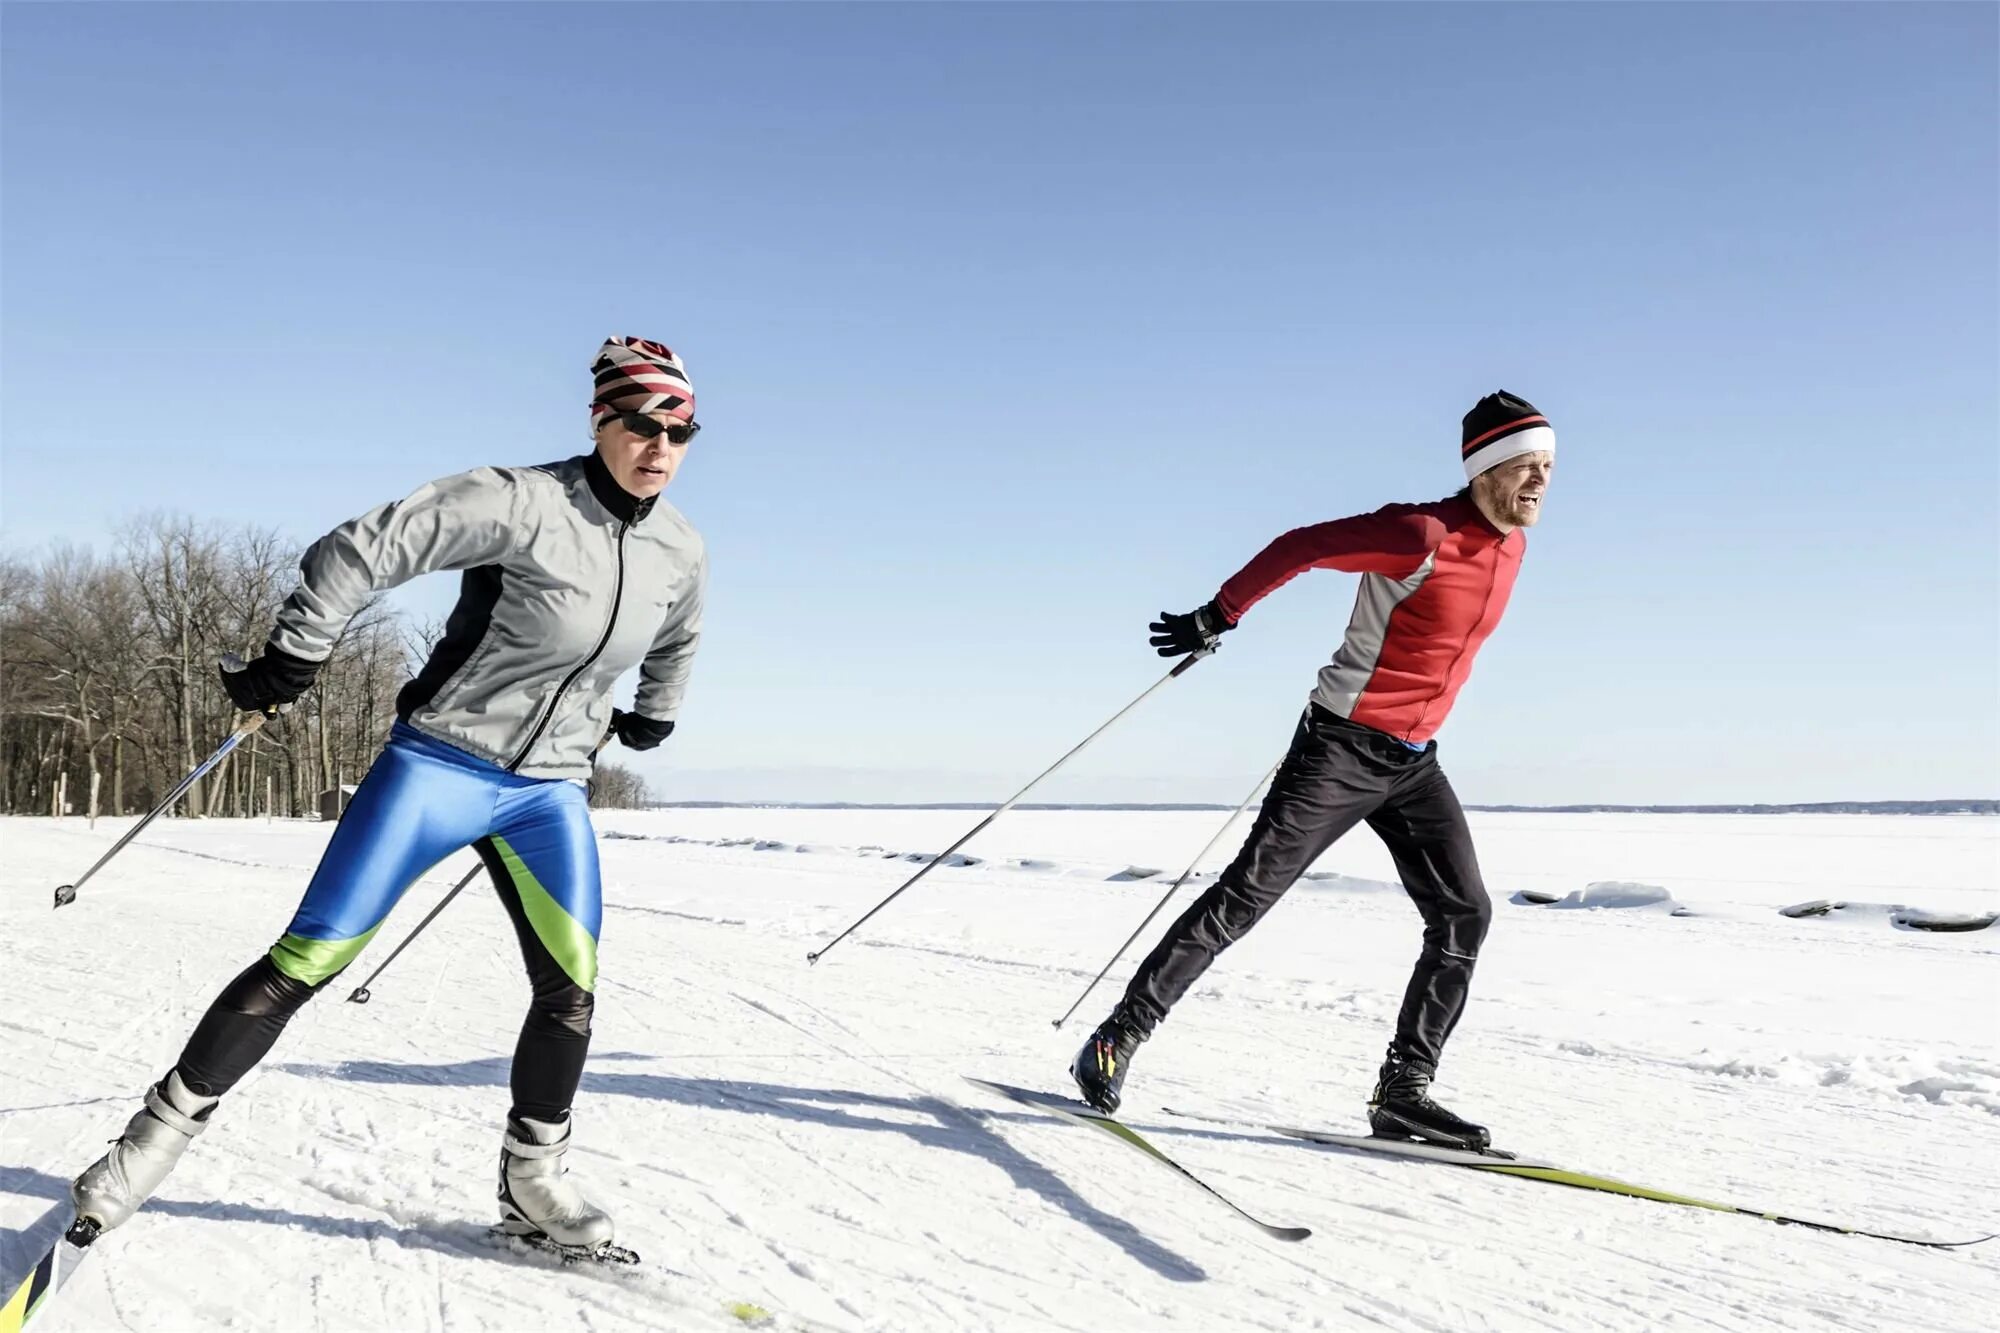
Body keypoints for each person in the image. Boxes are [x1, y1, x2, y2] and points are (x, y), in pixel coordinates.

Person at [70, 336, 708, 1254]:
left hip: (549, 793)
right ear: (601, 420)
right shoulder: (520, 501)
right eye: (643, 425)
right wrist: (300, 647)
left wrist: (656, 711)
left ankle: (533, 1184)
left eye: (681, 432)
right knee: (305, 964)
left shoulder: (679, 547)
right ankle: (143, 1148)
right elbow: (361, 547)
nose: (661, 448)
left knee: (571, 992)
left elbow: (679, 634)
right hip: (440, 767)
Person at [1071, 391, 1556, 1150]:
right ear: (1487, 467)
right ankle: (1116, 1036)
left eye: (1550, 467)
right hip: (1339, 748)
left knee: (1465, 912)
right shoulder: (1420, 531)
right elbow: (1301, 544)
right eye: (1527, 464)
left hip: (1414, 763)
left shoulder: (1514, 546)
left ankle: (1404, 1091)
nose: (1541, 481)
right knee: (1245, 897)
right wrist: (1218, 613)